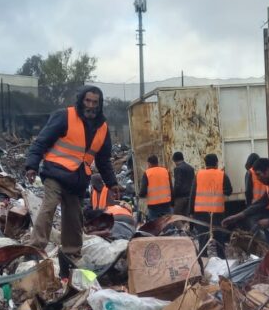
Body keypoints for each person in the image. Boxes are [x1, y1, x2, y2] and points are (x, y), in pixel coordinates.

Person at [25, 86, 118, 258]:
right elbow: (42, 141)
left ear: (99, 105)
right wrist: (32, 165)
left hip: (77, 178)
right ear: (81, 101)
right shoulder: (65, 116)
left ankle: (71, 253)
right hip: (55, 172)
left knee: (74, 216)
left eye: (95, 102)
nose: (90, 105)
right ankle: (35, 249)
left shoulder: (103, 128)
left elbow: (103, 160)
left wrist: (112, 183)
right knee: (49, 205)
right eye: (87, 101)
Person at [192, 154, 232, 253]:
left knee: (203, 239)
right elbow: (229, 191)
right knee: (219, 237)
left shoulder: (199, 174)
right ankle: (222, 260)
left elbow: (192, 194)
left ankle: (204, 261)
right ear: (216, 163)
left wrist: (191, 212)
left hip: (201, 212)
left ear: (205, 164)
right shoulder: (222, 174)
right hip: (217, 212)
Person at [139, 155, 173, 221]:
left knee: (154, 226)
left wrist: (140, 195)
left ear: (149, 163)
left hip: (153, 206)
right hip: (166, 203)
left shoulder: (147, 173)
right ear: (157, 162)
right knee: (167, 223)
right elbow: (171, 187)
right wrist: (172, 202)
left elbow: (143, 190)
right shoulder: (165, 171)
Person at [172, 151, 195, 216]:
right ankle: (185, 226)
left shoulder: (178, 169)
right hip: (189, 197)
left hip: (180, 198)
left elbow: (177, 184)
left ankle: (182, 227)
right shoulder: (191, 168)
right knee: (185, 217)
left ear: (175, 160)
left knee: (175, 217)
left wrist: (173, 196)